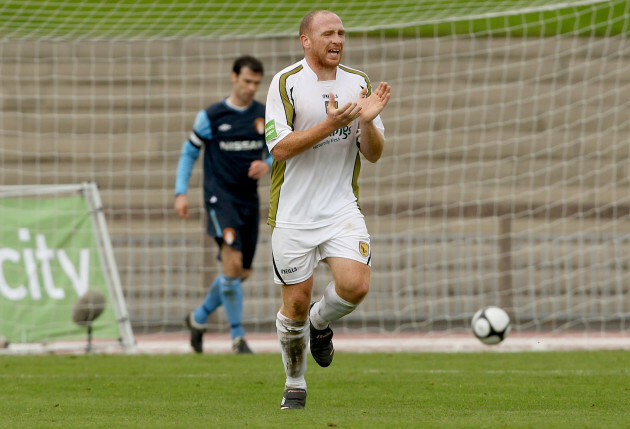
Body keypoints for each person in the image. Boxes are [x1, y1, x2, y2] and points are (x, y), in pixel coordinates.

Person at [264, 10, 391, 409]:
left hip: (340, 207)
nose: (337, 39)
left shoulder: (359, 82)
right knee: (295, 305)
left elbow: (372, 154)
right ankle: (295, 383)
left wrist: (367, 123)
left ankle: (321, 324)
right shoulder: (286, 82)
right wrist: (329, 123)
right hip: (293, 214)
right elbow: (279, 148)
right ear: (306, 40)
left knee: (356, 286)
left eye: (341, 33)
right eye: (327, 33)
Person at [174, 55, 271, 354]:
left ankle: (198, 318)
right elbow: (189, 153)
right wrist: (181, 192)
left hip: (248, 200)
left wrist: (266, 164)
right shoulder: (212, 116)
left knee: (240, 273)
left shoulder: (264, 115)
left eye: (256, 82)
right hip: (219, 198)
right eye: (246, 81)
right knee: (231, 263)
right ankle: (237, 337)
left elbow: (276, 150)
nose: (251, 88)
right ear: (234, 77)